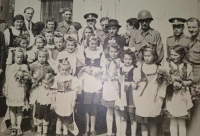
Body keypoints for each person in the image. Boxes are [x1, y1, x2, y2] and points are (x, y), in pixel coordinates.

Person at [134, 45, 166, 136]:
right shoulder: (140, 67)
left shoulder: (158, 68)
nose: (147, 58)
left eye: (149, 56)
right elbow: (136, 81)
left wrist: (160, 96)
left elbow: (163, 84)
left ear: (154, 56)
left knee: (153, 120)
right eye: (145, 56)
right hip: (143, 97)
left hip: (154, 96)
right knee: (144, 120)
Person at [165, 45, 193, 136]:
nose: (173, 57)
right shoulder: (167, 66)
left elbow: (190, 81)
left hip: (182, 96)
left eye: (176, 55)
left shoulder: (187, 66)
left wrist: (183, 83)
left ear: (181, 55)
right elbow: (163, 81)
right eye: (172, 55)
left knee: (181, 120)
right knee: (172, 120)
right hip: (171, 96)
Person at [79, 36, 104, 136]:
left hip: (96, 79)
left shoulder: (101, 52)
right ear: (88, 43)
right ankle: (86, 129)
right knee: (87, 104)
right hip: (87, 79)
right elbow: (80, 64)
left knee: (94, 105)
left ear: (97, 44)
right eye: (91, 43)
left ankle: (93, 128)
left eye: (95, 44)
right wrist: (85, 69)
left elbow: (103, 66)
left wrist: (98, 71)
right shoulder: (84, 51)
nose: (93, 46)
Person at [4, 48, 29, 136]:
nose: (19, 59)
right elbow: (7, 79)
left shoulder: (24, 66)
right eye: (17, 57)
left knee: (19, 109)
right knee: (12, 109)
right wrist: (6, 90)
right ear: (14, 57)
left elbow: (27, 78)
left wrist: (24, 77)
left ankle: (19, 127)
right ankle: (13, 126)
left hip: (20, 90)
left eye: (21, 57)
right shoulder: (10, 67)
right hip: (12, 90)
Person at [51, 59, 80, 136]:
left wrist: (73, 101)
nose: (64, 72)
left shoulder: (72, 78)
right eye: (63, 70)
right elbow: (54, 91)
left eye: (66, 70)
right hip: (59, 98)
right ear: (59, 69)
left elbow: (74, 91)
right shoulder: (56, 78)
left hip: (68, 98)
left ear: (69, 70)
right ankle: (58, 132)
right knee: (59, 117)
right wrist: (53, 102)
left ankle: (65, 132)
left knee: (66, 117)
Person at [101, 42, 122, 136]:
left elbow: (123, 75)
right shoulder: (106, 61)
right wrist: (105, 77)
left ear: (118, 52)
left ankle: (119, 132)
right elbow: (103, 73)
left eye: (115, 51)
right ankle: (109, 131)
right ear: (108, 51)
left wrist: (117, 77)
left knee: (117, 111)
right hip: (108, 86)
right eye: (111, 51)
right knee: (109, 110)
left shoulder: (121, 62)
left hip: (117, 87)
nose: (113, 53)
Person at [119, 47, 138, 136]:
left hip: (131, 94)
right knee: (123, 117)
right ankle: (123, 134)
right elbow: (119, 81)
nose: (127, 61)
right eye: (126, 59)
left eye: (130, 59)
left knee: (132, 117)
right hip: (122, 94)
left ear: (133, 60)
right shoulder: (120, 68)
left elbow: (136, 83)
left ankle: (133, 134)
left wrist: (131, 83)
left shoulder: (134, 69)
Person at [186, 17, 200, 136]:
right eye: (189, 27)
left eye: (194, 27)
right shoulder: (192, 39)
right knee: (193, 106)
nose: (191, 29)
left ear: (199, 27)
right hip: (192, 77)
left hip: (199, 77)